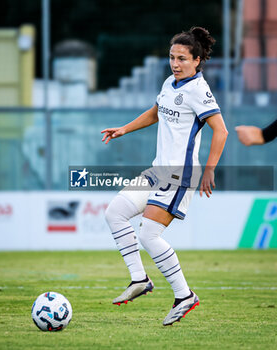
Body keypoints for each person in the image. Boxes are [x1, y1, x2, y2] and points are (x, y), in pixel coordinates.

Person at [101, 27, 228, 326]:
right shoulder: (170, 84)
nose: (175, 63)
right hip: (157, 170)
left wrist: (209, 169)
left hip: (179, 175)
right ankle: (139, 279)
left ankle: (184, 296)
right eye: (172, 57)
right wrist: (123, 129)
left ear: (197, 60)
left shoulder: (199, 91)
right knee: (115, 213)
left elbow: (220, 131)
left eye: (182, 58)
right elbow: (156, 112)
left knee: (148, 234)